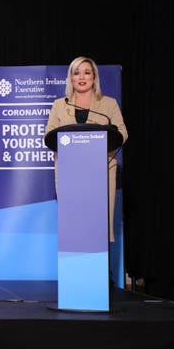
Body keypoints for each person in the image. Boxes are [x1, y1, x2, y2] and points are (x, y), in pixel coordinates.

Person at [45, 56, 128, 242]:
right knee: (74, 231)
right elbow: (49, 134)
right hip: (70, 174)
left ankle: (98, 269)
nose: (82, 77)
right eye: (77, 72)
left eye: (87, 72)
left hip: (101, 172)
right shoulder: (60, 105)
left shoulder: (108, 104)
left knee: (97, 231)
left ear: (94, 77)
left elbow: (122, 132)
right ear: (71, 78)